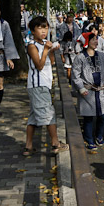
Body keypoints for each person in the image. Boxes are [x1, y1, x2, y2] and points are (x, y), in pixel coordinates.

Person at [24, 16, 69, 156]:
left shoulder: (45, 43)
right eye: (39, 28)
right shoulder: (31, 45)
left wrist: (51, 51)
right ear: (32, 31)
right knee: (49, 114)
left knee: (33, 116)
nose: (43, 31)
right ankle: (55, 143)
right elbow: (39, 65)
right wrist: (45, 50)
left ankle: (28, 146)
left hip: (44, 83)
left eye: (45, 27)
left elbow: (50, 63)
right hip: (38, 84)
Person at [72, 32, 104, 150]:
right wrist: (80, 87)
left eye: (96, 39)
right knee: (88, 117)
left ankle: (99, 136)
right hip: (87, 91)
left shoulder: (101, 55)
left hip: (100, 91)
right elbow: (75, 75)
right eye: (93, 40)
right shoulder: (80, 57)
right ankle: (89, 139)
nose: (96, 42)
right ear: (86, 42)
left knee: (102, 116)